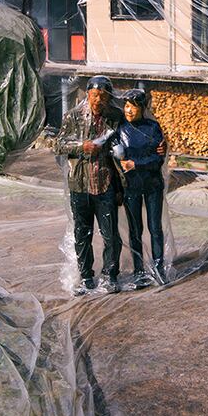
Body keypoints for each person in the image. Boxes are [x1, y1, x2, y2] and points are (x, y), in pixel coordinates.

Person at [55, 75, 124, 295]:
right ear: (88, 95)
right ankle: (86, 277)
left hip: (105, 183)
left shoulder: (115, 117)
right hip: (80, 184)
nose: (98, 101)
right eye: (95, 95)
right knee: (82, 233)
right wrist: (81, 146)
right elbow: (58, 145)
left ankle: (110, 275)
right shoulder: (74, 116)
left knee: (111, 234)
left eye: (103, 97)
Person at [112, 88, 168, 287]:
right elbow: (116, 157)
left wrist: (137, 164)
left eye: (133, 107)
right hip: (131, 186)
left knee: (155, 228)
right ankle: (139, 271)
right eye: (126, 106)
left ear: (142, 108)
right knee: (135, 230)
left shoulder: (153, 127)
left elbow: (158, 159)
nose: (129, 110)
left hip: (152, 184)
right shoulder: (120, 129)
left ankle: (159, 268)